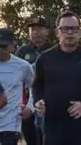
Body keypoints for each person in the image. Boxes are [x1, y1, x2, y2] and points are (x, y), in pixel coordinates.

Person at [33, 10, 81, 145]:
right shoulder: (44, 59)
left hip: (80, 129)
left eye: (74, 29)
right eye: (65, 29)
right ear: (57, 32)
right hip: (52, 128)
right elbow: (37, 86)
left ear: (80, 32)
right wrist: (38, 102)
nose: (70, 33)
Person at [0, 28, 36, 145]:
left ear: (12, 46)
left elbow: (35, 87)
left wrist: (30, 107)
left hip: (11, 124)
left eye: (3, 46)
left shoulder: (23, 66)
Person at [17, 17, 50, 145]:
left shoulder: (53, 49)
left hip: (47, 101)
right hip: (27, 102)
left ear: (46, 31)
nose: (36, 32)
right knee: (30, 136)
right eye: (33, 29)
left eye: (40, 29)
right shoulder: (22, 51)